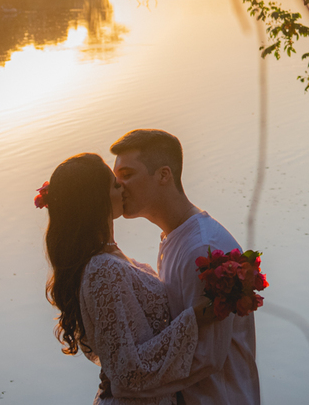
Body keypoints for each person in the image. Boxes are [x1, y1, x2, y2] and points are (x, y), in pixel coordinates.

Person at [39, 152, 222, 404]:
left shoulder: (106, 257)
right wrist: (194, 318)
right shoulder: (102, 269)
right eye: (115, 184)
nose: (123, 187)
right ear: (97, 199)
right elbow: (127, 370)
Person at [111, 129, 260, 405]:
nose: (119, 186)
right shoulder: (175, 237)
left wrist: (130, 381)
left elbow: (205, 357)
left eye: (127, 175)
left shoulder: (202, 249)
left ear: (164, 175)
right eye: (116, 178)